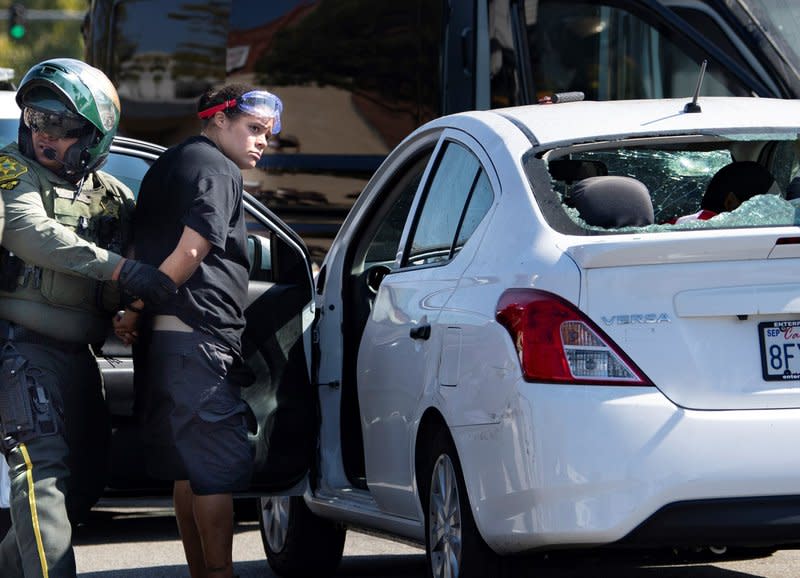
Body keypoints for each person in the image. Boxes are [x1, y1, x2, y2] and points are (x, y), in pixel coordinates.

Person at [0, 58, 176, 578]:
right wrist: (121, 268)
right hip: (22, 351)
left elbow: (149, 260)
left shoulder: (115, 198)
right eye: (36, 119)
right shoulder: (11, 171)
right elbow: (30, 231)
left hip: (80, 356)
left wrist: (134, 299)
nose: (44, 135)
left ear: (95, 136)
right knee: (42, 479)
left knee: (83, 485)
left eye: (61, 125)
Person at [114, 84, 282, 578]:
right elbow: (191, 252)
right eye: (253, 129)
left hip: (167, 341)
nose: (261, 143)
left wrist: (137, 308)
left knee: (190, 469)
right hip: (199, 340)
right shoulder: (217, 168)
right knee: (214, 472)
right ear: (218, 121)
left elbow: (143, 249)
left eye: (267, 134)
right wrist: (141, 301)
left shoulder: (168, 165)